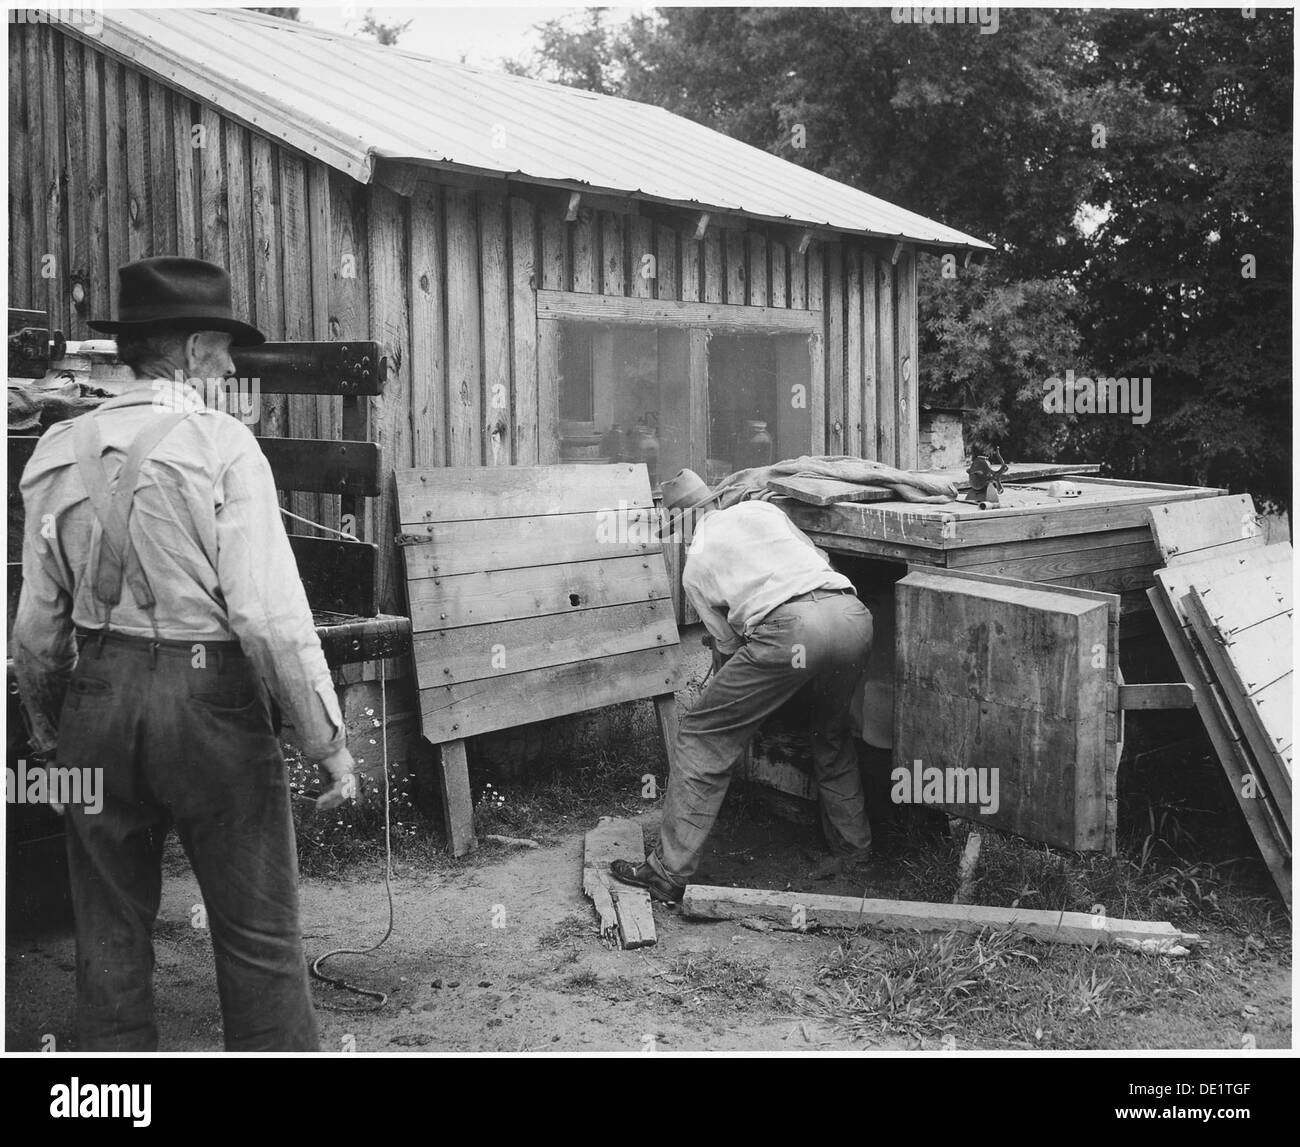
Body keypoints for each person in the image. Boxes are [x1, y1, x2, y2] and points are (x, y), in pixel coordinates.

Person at [12, 256, 357, 1051]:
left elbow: (34, 635)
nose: (232, 366)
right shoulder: (223, 444)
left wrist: (48, 728)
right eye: (225, 348)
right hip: (210, 708)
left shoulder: (56, 450)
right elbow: (269, 619)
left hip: (96, 703)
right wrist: (328, 744)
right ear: (194, 348)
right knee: (259, 942)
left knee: (106, 943)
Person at [610, 469, 874, 903]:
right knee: (829, 733)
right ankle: (854, 851)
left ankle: (667, 871)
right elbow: (816, 559)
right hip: (851, 616)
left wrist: (729, 702)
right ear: (714, 504)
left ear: (683, 527)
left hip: (793, 631)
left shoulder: (695, 568)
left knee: (701, 733)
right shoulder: (761, 510)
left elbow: (730, 649)